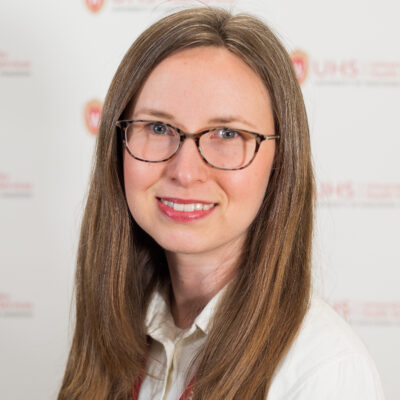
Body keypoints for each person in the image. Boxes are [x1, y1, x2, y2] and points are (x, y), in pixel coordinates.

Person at [58, 7, 385, 400]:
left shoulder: (323, 374)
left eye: (228, 133)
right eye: (159, 127)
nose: (185, 170)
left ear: (281, 162)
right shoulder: (118, 332)